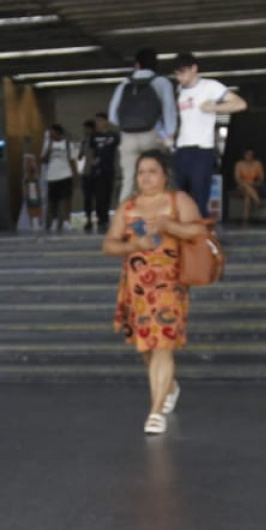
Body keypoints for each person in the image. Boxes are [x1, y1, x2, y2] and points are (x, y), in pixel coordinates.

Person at [103, 151, 205, 435]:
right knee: (146, 346)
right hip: (137, 287)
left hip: (170, 285)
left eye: (152, 171)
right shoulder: (128, 207)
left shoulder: (178, 200)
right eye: (141, 172)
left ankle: (156, 411)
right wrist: (133, 246)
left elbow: (199, 232)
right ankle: (168, 386)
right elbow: (109, 245)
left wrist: (168, 225)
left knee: (162, 344)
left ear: (165, 175)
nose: (146, 177)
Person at [170, 52, 247, 219]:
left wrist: (213, 108)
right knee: (178, 198)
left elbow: (240, 104)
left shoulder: (210, 86)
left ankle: (201, 232)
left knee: (199, 197)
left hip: (202, 150)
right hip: (181, 150)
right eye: (177, 74)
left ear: (194, 68)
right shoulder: (179, 90)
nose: (180, 78)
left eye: (183, 73)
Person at [108, 47, 177, 201]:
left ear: (137, 65)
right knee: (156, 179)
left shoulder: (124, 84)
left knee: (129, 180)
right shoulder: (162, 82)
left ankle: (125, 214)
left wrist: (127, 126)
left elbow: (113, 117)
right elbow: (169, 112)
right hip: (154, 135)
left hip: (128, 138)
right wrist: (169, 137)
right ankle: (156, 212)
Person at [81, 113, 120, 233]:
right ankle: (101, 219)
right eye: (96, 121)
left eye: (100, 120)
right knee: (99, 195)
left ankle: (105, 218)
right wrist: (93, 162)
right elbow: (91, 151)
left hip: (109, 168)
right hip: (98, 170)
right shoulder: (94, 137)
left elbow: (119, 149)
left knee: (107, 194)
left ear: (106, 121)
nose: (98, 123)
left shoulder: (113, 136)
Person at [39, 123, 79, 233]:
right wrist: (48, 150)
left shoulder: (67, 144)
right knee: (53, 201)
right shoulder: (48, 144)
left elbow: (72, 160)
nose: (50, 134)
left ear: (58, 132)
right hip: (52, 176)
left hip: (65, 174)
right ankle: (54, 221)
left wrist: (75, 176)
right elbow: (43, 160)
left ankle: (66, 221)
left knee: (66, 199)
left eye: (52, 131)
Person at [231, 147, 265, 225]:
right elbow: (237, 179)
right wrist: (247, 183)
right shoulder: (239, 164)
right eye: (247, 154)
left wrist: (254, 183)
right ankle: (257, 201)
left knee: (248, 196)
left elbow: (261, 178)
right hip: (241, 187)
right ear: (244, 155)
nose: (249, 156)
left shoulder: (257, 164)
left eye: (251, 155)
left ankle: (245, 220)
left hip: (254, 187)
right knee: (245, 185)